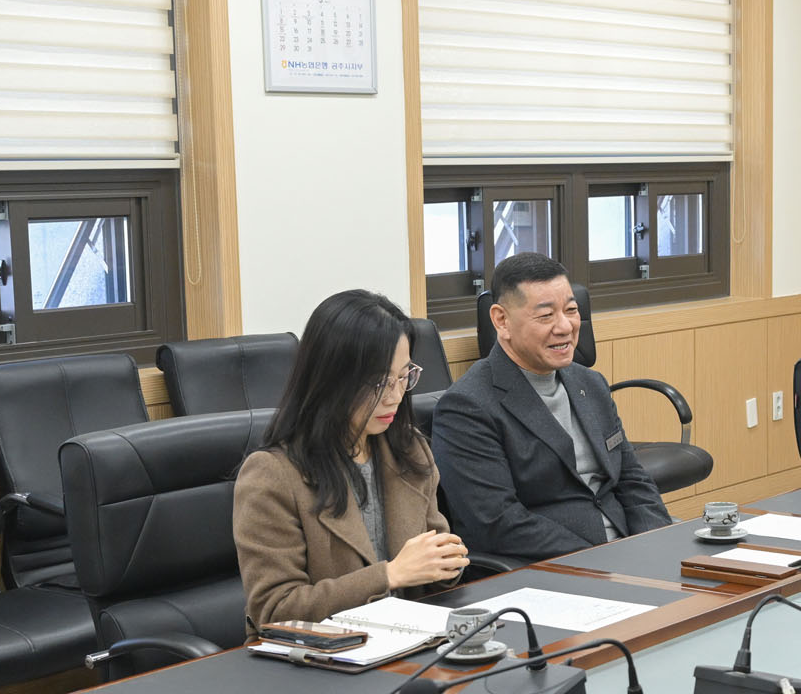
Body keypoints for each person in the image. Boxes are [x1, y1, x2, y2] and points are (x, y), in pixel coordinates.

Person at [234, 290, 470, 634]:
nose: (395, 396)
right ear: (331, 379)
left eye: (404, 376)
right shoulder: (272, 474)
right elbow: (274, 611)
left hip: (409, 639)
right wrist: (389, 575)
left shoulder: (410, 449)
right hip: (322, 656)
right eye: (379, 382)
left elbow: (433, 569)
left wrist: (446, 563)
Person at [432, 253, 670, 564]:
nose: (565, 327)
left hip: (626, 549)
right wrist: (602, 561)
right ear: (501, 320)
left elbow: (631, 478)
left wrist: (658, 544)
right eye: (546, 316)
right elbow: (498, 523)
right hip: (554, 566)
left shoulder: (591, 383)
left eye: (571, 310)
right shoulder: (467, 407)